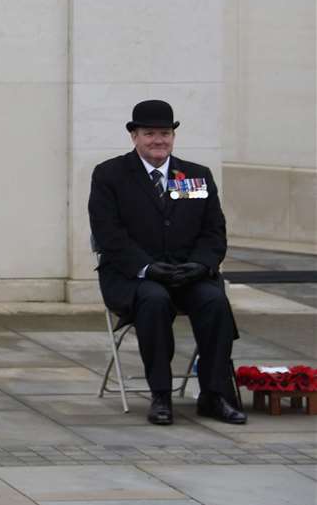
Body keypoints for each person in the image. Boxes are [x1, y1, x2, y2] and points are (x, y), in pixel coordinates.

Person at [89, 99, 244, 426]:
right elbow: (108, 235)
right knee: (154, 300)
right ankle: (160, 394)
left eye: (165, 133)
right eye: (149, 133)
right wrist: (146, 267)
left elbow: (213, 232)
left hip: (187, 275)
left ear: (173, 136)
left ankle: (214, 395)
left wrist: (201, 266)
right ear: (134, 136)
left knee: (215, 302)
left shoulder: (195, 176)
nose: (158, 140)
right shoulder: (110, 175)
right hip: (134, 278)